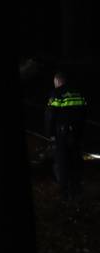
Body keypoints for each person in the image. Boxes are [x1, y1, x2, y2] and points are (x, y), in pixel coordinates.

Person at [46, 72, 87, 200]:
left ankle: (64, 192)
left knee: (62, 162)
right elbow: (85, 112)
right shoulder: (78, 93)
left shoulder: (56, 94)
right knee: (76, 160)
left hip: (62, 134)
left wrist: (50, 133)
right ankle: (77, 189)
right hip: (77, 133)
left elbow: (50, 115)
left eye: (54, 82)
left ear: (58, 81)